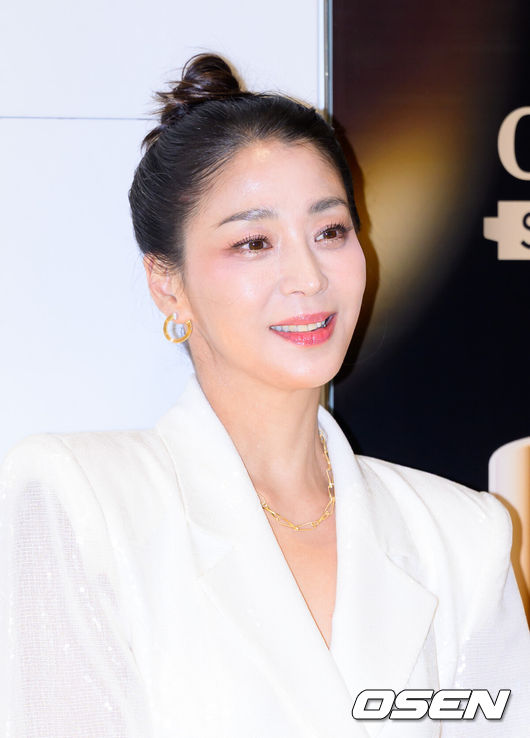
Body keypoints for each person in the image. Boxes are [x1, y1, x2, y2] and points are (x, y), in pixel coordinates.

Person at [0, 53, 528, 738]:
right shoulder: (82, 499)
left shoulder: (461, 537)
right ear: (168, 284)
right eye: (254, 242)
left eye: (330, 231)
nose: (307, 276)